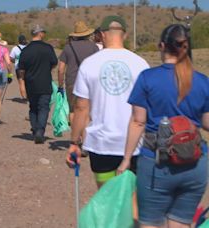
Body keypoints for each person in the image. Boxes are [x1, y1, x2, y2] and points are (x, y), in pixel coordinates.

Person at [117, 24, 209, 228]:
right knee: (180, 223)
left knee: (150, 223)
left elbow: (138, 121)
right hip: (195, 164)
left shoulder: (148, 78)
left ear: (161, 46)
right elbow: (206, 123)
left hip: (157, 163)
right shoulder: (203, 81)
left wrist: (125, 160)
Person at [65, 16, 149, 188]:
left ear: (102, 35)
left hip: (101, 144)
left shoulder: (89, 65)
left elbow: (81, 108)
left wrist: (74, 142)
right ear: (124, 35)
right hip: (134, 144)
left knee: (107, 197)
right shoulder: (141, 64)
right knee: (131, 199)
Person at [18, 25, 58, 144]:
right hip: (45, 82)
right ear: (40, 34)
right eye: (43, 32)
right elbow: (54, 63)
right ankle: (40, 130)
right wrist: (47, 68)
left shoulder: (25, 50)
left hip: (30, 83)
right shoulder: (48, 48)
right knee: (44, 107)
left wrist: (22, 82)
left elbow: (21, 69)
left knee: (33, 107)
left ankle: (36, 129)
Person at [57, 21, 98, 126]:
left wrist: (60, 85)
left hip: (72, 82)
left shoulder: (68, 47)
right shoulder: (93, 47)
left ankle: (75, 137)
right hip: (89, 83)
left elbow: (60, 69)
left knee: (72, 110)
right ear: (87, 33)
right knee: (87, 110)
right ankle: (84, 136)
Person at [10, 34, 28, 99]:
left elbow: (11, 58)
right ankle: (29, 96)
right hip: (28, 67)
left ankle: (24, 97)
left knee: (21, 82)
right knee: (28, 82)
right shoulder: (28, 48)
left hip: (19, 68)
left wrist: (16, 61)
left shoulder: (15, 48)